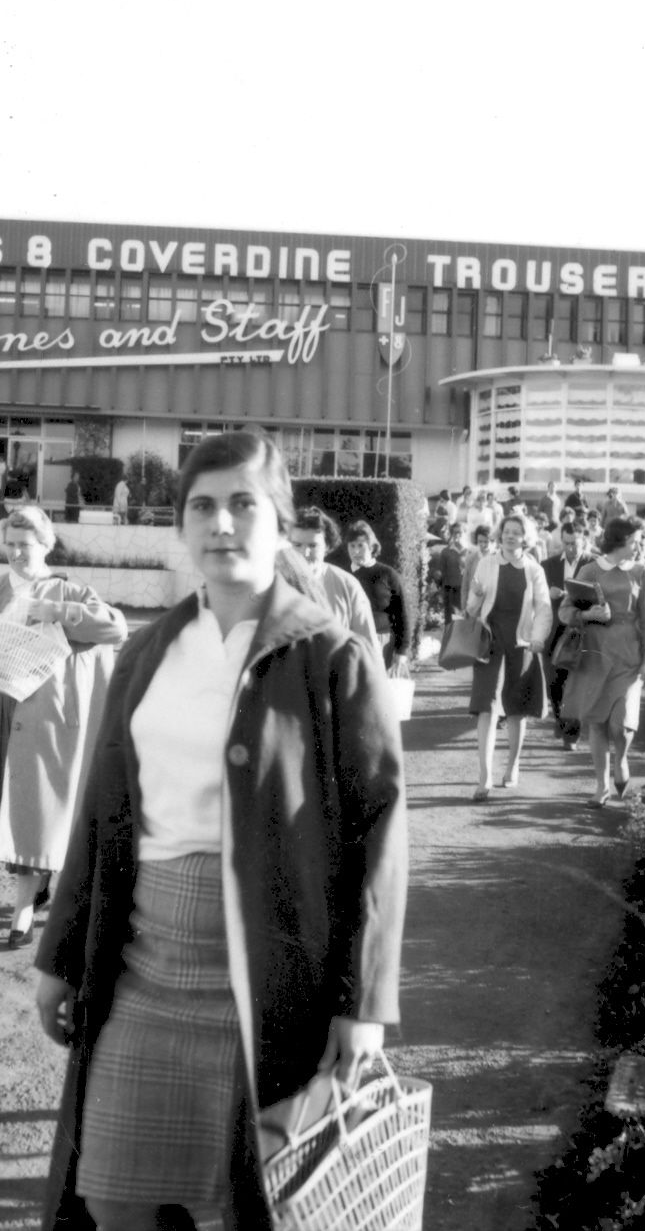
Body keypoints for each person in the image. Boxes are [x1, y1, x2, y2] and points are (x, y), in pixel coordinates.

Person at [33, 430, 408, 1231]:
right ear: (181, 524)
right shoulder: (147, 653)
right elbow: (99, 816)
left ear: (279, 522)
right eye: (202, 506)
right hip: (142, 970)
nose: (222, 523)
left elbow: (377, 833)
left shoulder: (332, 658)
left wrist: (364, 1001)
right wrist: (59, 956)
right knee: (110, 1197)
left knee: (233, 1209)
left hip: (269, 984)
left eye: (243, 504)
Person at [0, 506, 127, 949]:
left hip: (50, 720)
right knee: (8, 811)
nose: (17, 553)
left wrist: (56, 610)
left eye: (26, 544)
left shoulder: (67, 589)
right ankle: (38, 884)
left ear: (46, 545)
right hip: (4, 713)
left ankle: (23, 911)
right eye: (11, 544)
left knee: (37, 812)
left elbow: (115, 629)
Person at [558, 517, 645, 808]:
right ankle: (601, 786)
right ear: (619, 541)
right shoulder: (590, 570)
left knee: (620, 724)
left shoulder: (642, 572)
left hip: (628, 657)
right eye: (635, 541)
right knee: (596, 722)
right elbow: (565, 612)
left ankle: (621, 759)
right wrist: (588, 615)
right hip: (594, 655)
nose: (639, 546)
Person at [464, 514, 553, 800]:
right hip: (490, 644)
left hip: (521, 645)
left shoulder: (533, 569)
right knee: (486, 708)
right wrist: (476, 595)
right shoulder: (487, 563)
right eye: (507, 531)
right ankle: (484, 776)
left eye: (517, 532)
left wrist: (538, 637)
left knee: (516, 710)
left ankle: (513, 765)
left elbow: (543, 607)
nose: (510, 536)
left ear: (525, 538)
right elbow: (471, 609)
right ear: (500, 534)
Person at [286, 506, 380, 650]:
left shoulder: (348, 585)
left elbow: (369, 647)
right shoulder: (271, 585)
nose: (305, 553)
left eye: (313, 545)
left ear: (327, 546)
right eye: (297, 545)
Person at [542, 519, 594, 747]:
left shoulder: (594, 564)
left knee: (576, 684)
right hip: (555, 631)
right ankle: (561, 720)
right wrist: (548, 592)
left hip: (583, 631)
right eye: (566, 543)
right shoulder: (548, 565)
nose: (570, 548)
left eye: (575, 543)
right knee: (554, 683)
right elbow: (535, 595)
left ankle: (571, 733)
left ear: (585, 541)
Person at [344, 519, 411, 676]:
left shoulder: (387, 574)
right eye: (352, 546)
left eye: (361, 545)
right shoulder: (343, 575)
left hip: (382, 643)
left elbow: (402, 613)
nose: (356, 551)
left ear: (372, 546)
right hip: (350, 641)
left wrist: (402, 651)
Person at [461, 523, 493, 603]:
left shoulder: (496, 558)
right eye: (480, 541)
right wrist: (464, 605)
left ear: (491, 541)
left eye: (486, 542)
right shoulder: (471, 558)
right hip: (473, 602)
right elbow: (465, 584)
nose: (483, 545)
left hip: (490, 601)